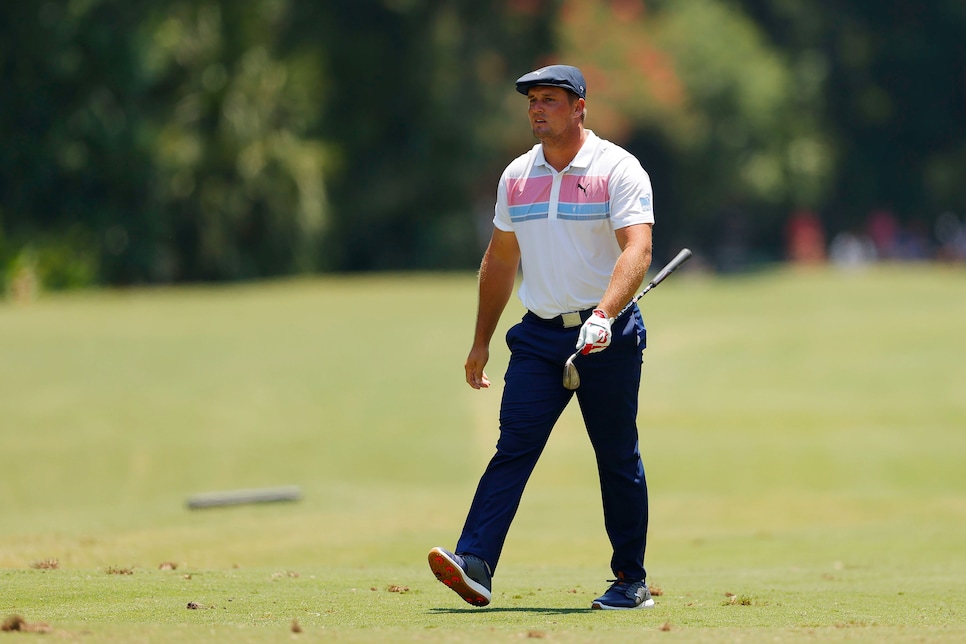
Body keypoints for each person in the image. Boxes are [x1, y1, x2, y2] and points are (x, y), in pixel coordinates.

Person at [428, 64, 657, 611]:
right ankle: (476, 563)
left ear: (579, 108)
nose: (537, 109)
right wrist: (481, 340)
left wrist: (604, 313)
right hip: (539, 337)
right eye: (532, 100)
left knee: (616, 455)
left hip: (609, 335)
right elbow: (501, 260)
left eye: (550, 100)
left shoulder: (616, 168)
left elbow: (638, 250)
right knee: (514, 447)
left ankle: (630, 580)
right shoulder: (516, 176)